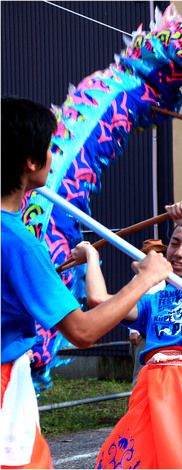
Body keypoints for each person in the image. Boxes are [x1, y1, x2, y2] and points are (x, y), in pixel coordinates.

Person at [1, 97, 171, 468]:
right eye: (49, 148)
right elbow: (82, 331)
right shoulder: (19, 243)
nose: (52, 156)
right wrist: (147, 278)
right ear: (30, 162)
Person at [77, 202, 182, 468]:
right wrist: (90, 256)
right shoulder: (153, 297)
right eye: (174, 243)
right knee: (128, 459)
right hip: (152, 384)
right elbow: (100, 300)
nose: (178, 253)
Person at [128, 239, 168, 387]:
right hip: (143, 332)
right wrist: (133, 330)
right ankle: (135, 407)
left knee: (155, 374)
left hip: (158, 333)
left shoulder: (164, 277)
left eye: (160, 252)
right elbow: (131, 302)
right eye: (154, 253)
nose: (159, 256)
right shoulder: (140, 278)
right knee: (141, 373)